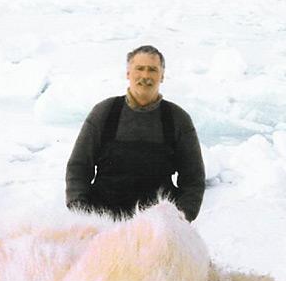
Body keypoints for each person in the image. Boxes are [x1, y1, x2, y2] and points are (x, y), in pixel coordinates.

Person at [66, 45, 205, 221]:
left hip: (157, 229)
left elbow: (193, 179)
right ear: (128, 73)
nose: (145, 76)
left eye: (152, 70)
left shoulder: (177, 119)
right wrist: (81, 213)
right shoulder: (105, 112)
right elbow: (78, 167)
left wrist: (180, 218)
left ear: (162, 76)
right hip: (103, 224)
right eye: (139, 68)